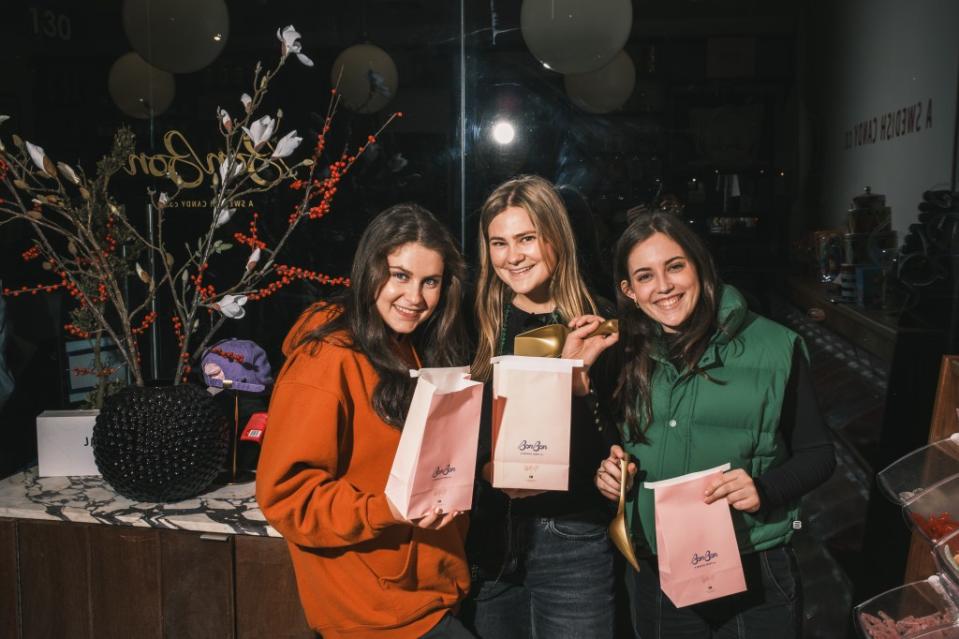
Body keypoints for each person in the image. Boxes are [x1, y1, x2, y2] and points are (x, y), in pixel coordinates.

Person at [593, 211, 836, 638]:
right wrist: (610, 473)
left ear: (700, 267)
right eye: (645, 276)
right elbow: (615, 445)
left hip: (755, 566)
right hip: (660, 569)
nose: (664, 286)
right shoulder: (624, 353)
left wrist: (763, 489)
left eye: (675, 266)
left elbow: (819, 455)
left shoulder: (775, 347)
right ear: (629, 291)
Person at [256, 203, 475, 639]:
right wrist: (386, 509)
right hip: (373, 608)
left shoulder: (408, 348)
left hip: (427, 592)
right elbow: (287, 494)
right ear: (369, 269)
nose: (415, 298)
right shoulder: (329, 357)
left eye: (430, 282)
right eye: (400, 275)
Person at [462, 175, 620, 638]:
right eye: (499, 243)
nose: (513, 256)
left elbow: (614, 445)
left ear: (556, 237)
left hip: (573, 537)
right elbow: (456, 431)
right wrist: (484, 470)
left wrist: (579, 384)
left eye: (527, 238)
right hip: (490, 540)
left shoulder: (598, 323)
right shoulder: (476, 324)